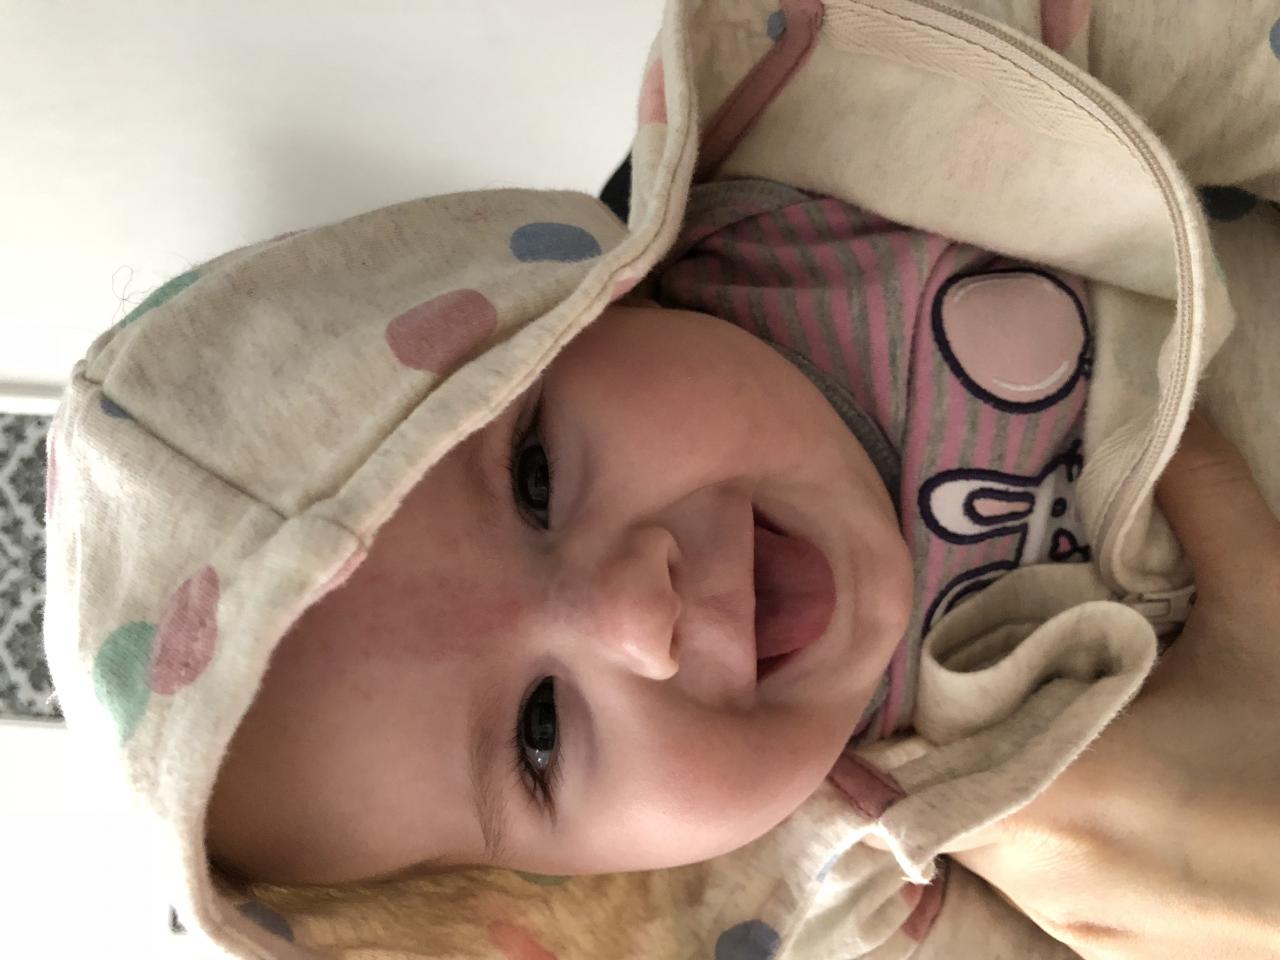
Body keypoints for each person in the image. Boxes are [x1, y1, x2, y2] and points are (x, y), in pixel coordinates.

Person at [40, 0, 1280, 956]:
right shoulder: (841, 899)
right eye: (536, 735)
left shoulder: (857, 109)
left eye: (534, 478)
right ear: (557, 887)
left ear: (578, 301)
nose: (637, 613)